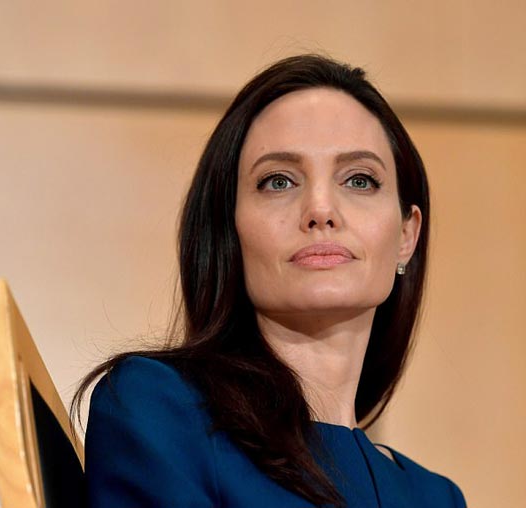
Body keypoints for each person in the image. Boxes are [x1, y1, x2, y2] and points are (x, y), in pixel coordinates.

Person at [74, 54, 467, 507]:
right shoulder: (159, 409)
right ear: (229, 229)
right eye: (278, 181)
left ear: (406, 236)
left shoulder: (438, 498)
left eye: (359, 180)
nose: (321, 210)